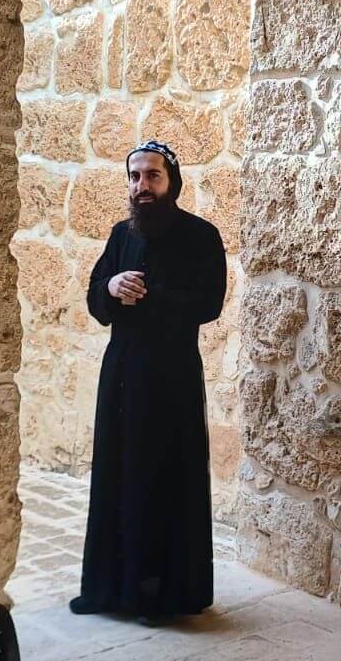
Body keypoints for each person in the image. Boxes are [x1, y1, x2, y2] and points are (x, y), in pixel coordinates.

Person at [69, 140, 227, 626]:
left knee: (164, 478)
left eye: (153, 176)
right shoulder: (121, 235)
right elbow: (95, 298)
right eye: (135, 176)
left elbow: (209, 303)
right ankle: (111, 589)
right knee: (118, 475)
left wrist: (150, 295)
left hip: (171, 378)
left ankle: (160, 594)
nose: (142, 185)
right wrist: (111, 287)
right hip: (122, 375)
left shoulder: (201, 236)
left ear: (171, 181)